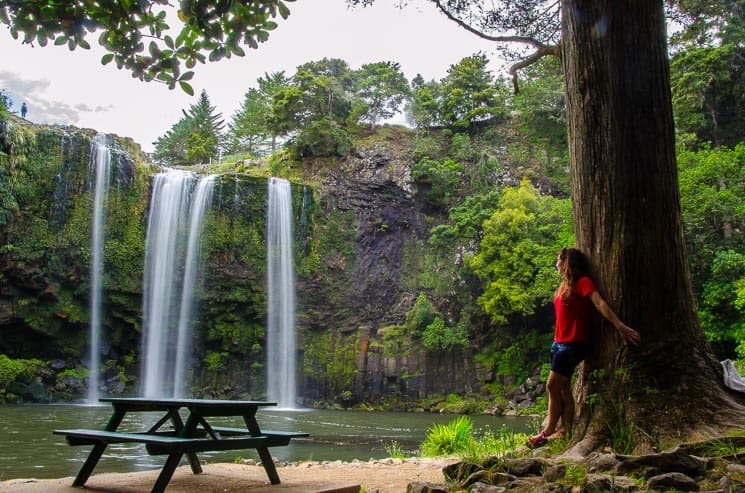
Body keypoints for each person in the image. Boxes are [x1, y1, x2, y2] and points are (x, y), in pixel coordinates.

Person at [527, 247, 640, 448]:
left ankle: (548, 430)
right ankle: (566, 429)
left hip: (572, 344)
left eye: (558, 261)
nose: (556, 265)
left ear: (566, 262)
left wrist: (619, 326)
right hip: (559, 343)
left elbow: (599, 303)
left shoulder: (583, 283)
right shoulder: (564, 286)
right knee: (563, 388)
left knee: (552, 386)